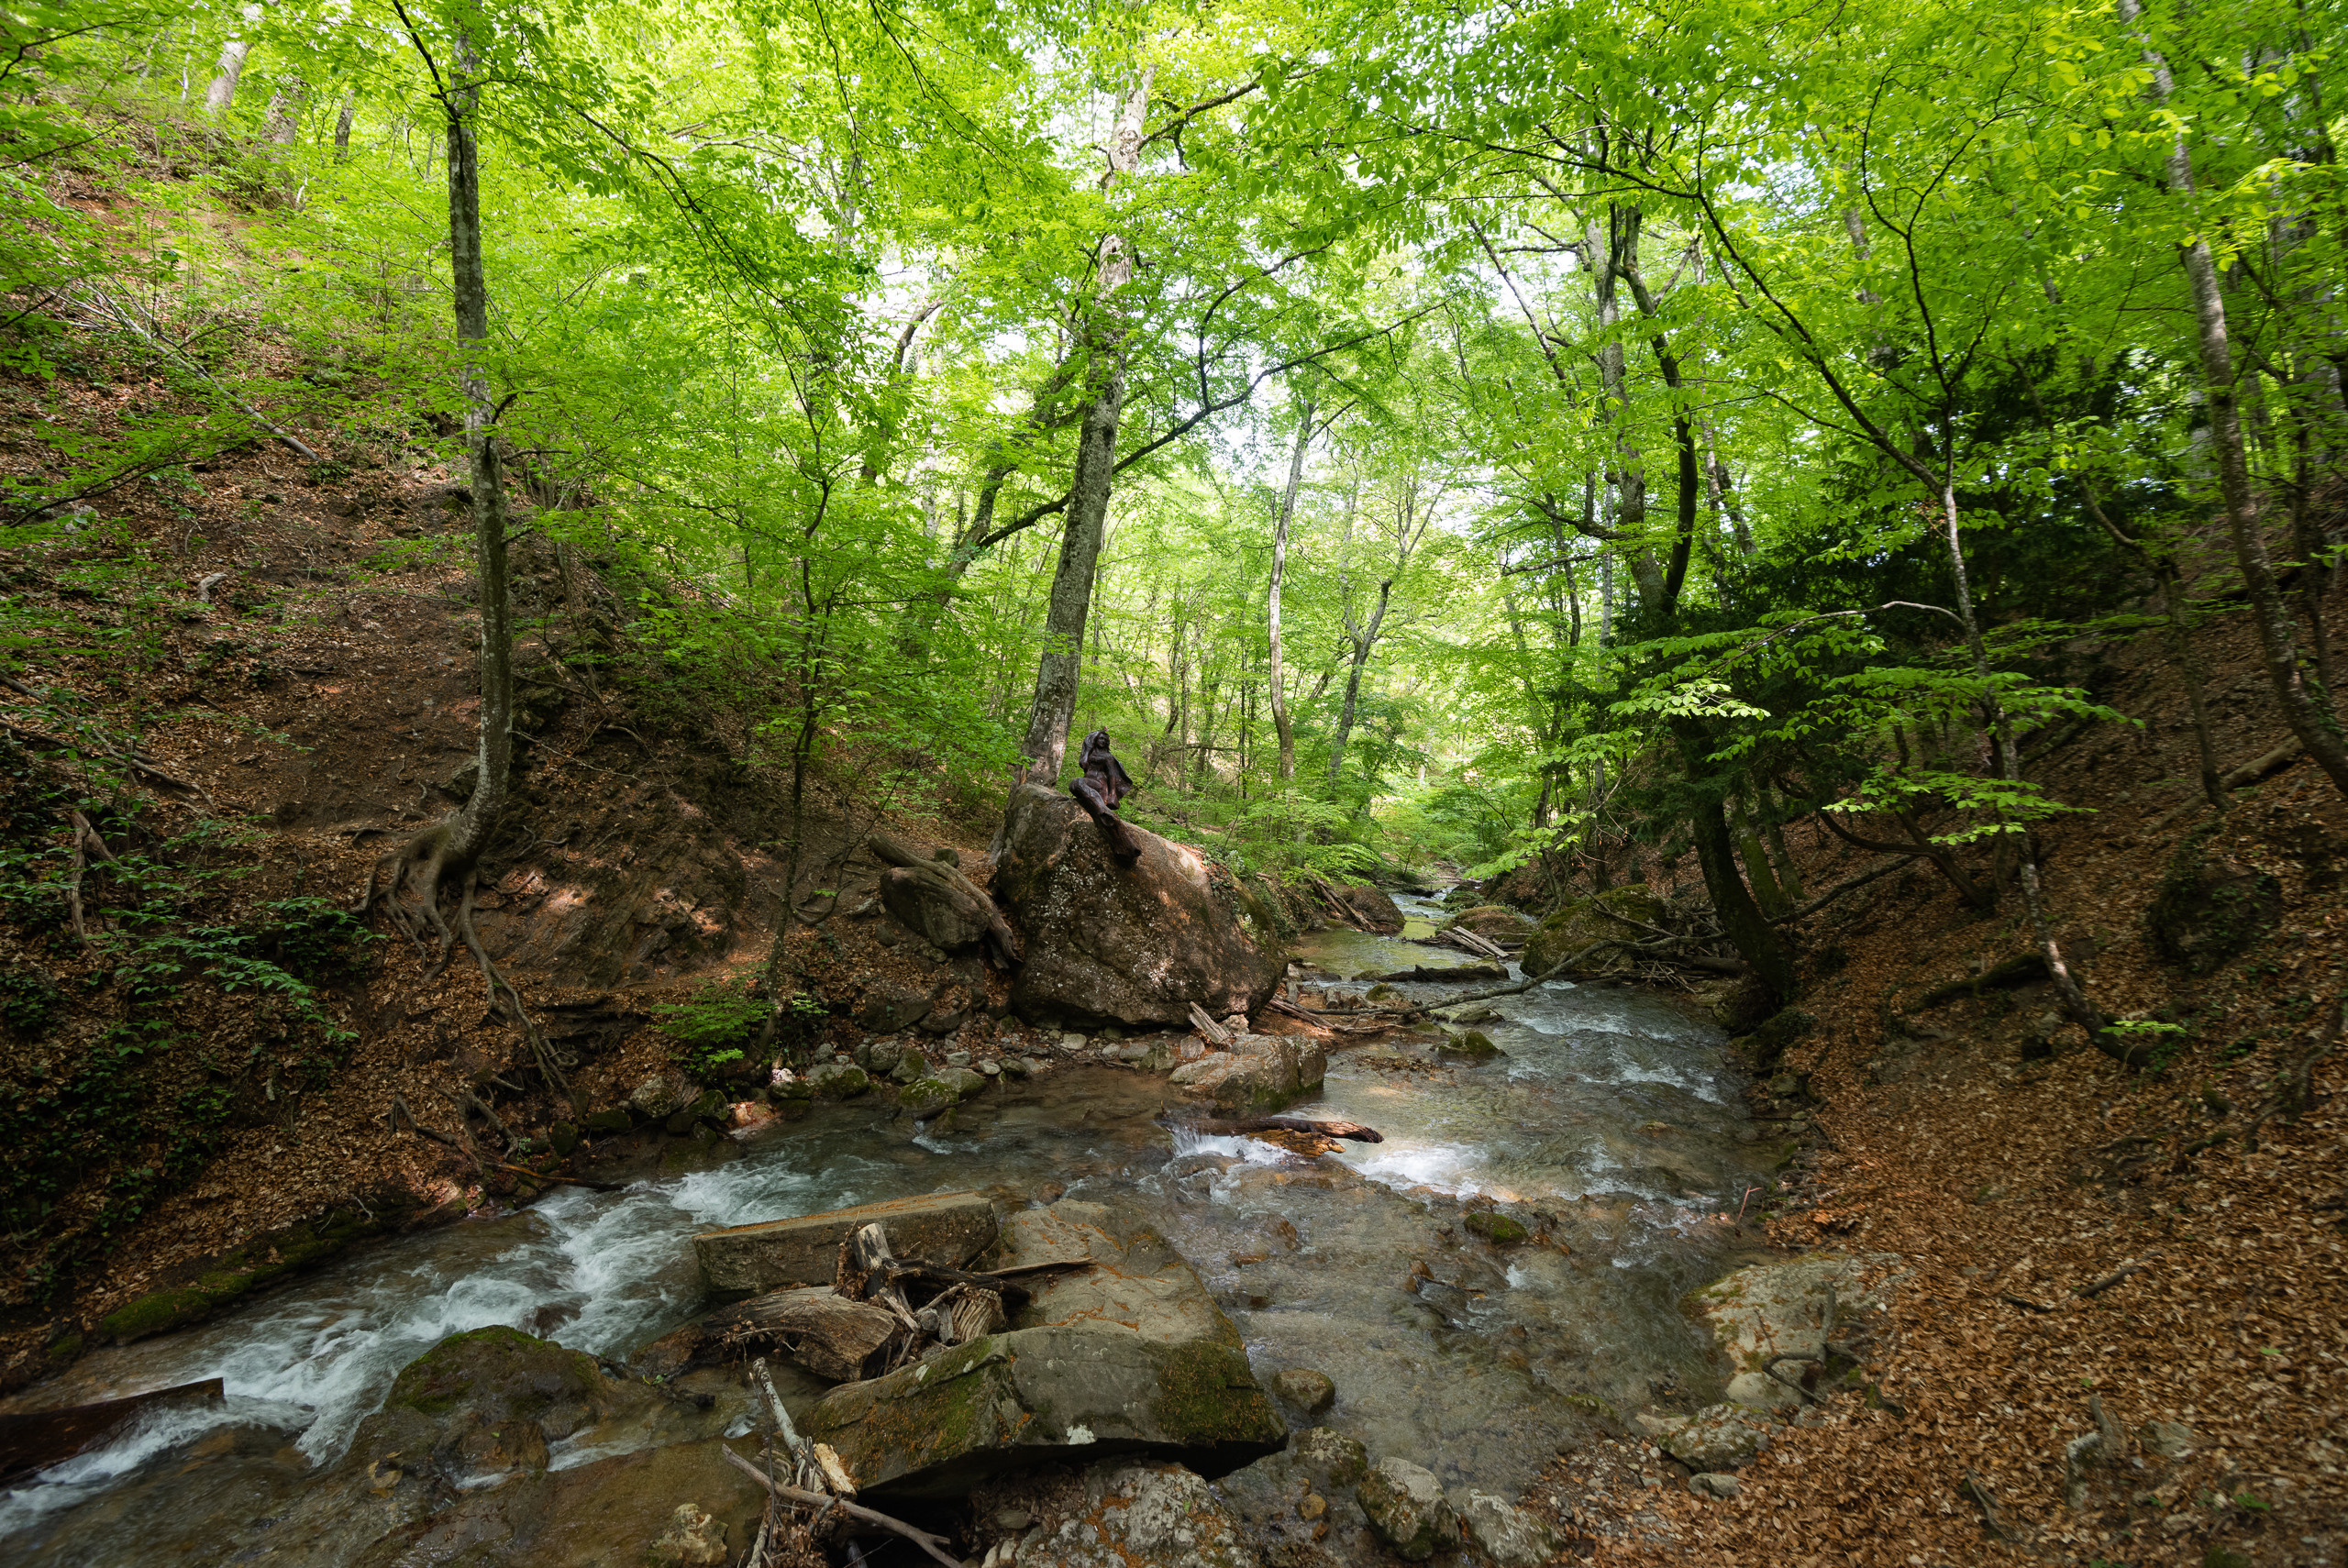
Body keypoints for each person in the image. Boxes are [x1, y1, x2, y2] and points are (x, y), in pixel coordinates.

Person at [1070, 728, 1143, 866]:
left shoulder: (1108, 757)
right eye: (1100, 738)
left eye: (1105, 739)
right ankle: (1099, 809)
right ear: (1095, 740)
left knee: (1077, 783)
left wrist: (1112, 795)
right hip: (1089, 783)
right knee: (1075, 784)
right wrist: (1088, 747)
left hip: (1099, 785)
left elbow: (1112, 776)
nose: (1102, 741)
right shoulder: (1090, 753)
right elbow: (1083, 763)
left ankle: (1105, 813)